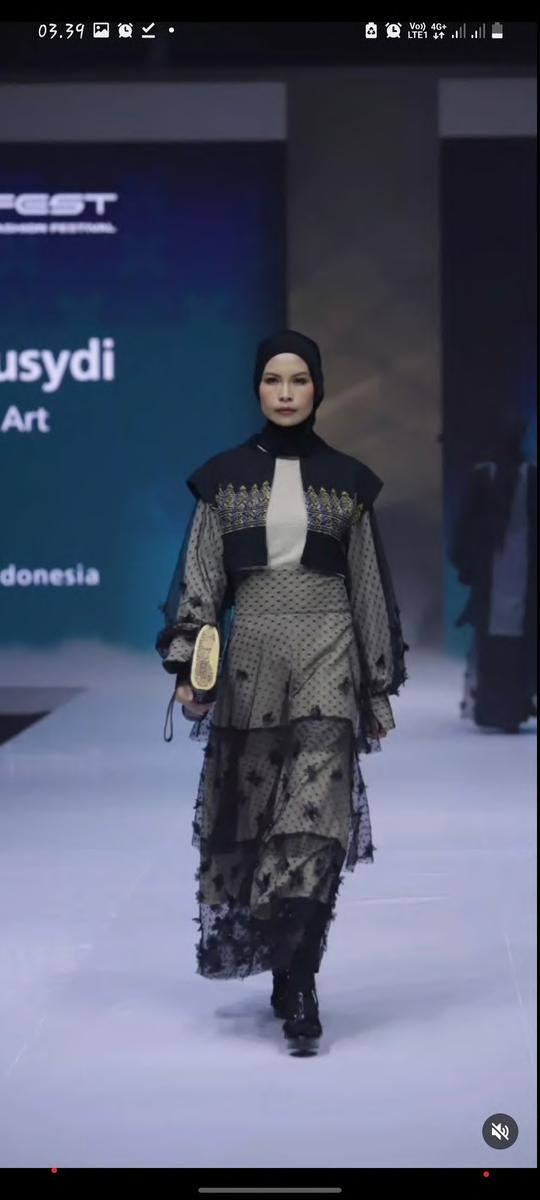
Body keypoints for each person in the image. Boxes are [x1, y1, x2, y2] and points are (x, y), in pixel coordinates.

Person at [156, 330, 407, 1052]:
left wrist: (377, 688)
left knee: (315, 825)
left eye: (300, 379)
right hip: (252, 665)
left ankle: (301, 980)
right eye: (274, 379)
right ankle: (283, 955)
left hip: (330, 656)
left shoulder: (350, 482)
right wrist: (192, 671)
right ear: (258, 389)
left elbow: (367, 589)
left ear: (318, 387)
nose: (287, 392)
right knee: (257, 823)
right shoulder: (223, 478)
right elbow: (202, 582)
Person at [450, 411, 537, 733]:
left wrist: (465, 563)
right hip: (508, 570)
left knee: (502, 639)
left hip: (508, 570)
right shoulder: (516, 475)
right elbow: (466, 527)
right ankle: (508, 707)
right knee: (512, 639)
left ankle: (500, 707)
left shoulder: (491, 475)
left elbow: (464, 528)